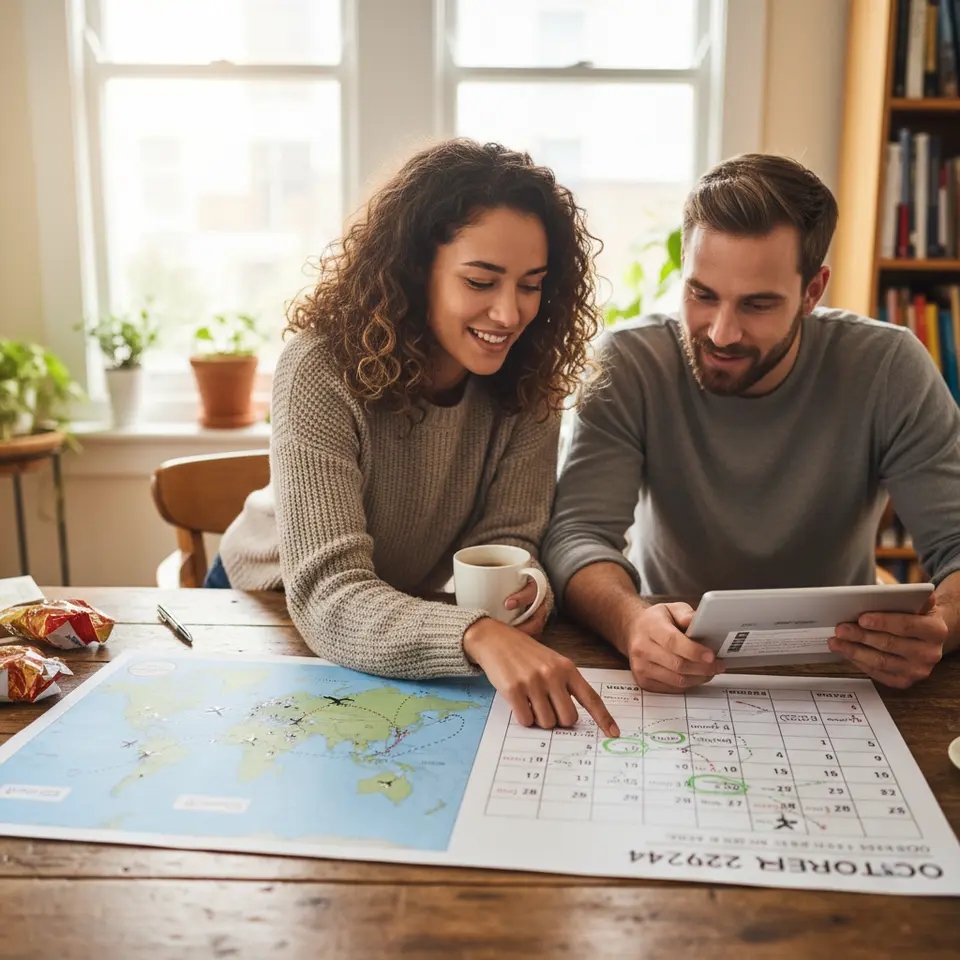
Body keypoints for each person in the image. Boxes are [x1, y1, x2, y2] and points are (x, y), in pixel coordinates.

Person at [216, 138, 618, 737]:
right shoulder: (319, 368)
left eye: (531, 284)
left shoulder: (531, 376)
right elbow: (327, 590)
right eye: (480, 281)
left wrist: (523, 593)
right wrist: (477, 633)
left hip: (394, 610)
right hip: (268, 605)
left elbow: (506, 538)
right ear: (414, 269)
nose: (509, 314)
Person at [542, 153, 960, 694]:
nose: (721, 333)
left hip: (842, 671)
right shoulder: (631, 363)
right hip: (674, 659)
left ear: (813, 292)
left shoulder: (889, 367)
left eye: (757, 305)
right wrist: (630, 622)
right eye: (702, 294)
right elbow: (578, 535)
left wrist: (942, 625)